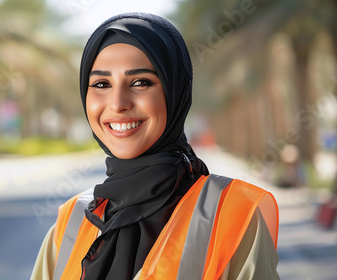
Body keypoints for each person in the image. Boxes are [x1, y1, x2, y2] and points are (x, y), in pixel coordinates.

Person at [31, 12, 279, 280]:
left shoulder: (234, 214)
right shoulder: (71, 222)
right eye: (101, 84)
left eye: (140, 82)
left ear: (174, 93)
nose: (117, 103)